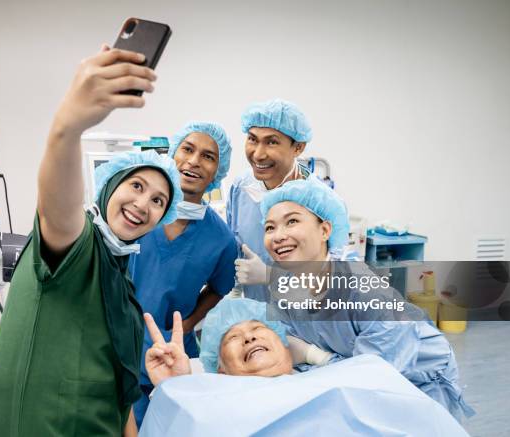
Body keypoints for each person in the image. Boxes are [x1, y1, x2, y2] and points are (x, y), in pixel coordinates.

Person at [0, 45, 183, 437]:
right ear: (108, 188)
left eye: (158, 201)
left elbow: (119, 383)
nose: (143, 204)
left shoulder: (121, 280)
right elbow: (58, 206)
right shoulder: (78, 244)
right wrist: (68, 127)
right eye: (136, 186)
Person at [259, 178, 475, 421]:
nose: (278, 236)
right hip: (353, 368)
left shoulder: (364, 291)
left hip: (416, 376)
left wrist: (316, 356)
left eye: (292, 221)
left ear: (325, 230)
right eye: (269, 227)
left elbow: (375, 377)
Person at [138, 299, 468, 437]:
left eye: (256, 328)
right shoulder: (207, 400)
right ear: (220, 370)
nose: (249, 335)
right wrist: (176, 388)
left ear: (285, 345)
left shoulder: (350, 372)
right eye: (234, 338)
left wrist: (315, 356)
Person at [128, 121, 238, 426]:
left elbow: (220, 287)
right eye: (187, 149)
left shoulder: (221, 239)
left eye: (208, 156)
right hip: (118, 343)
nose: (193, 161)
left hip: (171, 349)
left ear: (218, 172)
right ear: (172, 155)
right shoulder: (136, 214)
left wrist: (188, 324)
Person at [226, 99, 316, 302]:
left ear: (298, 147)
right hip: (255, 318)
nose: (258, 154)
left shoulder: (319, 202)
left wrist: (270, 276)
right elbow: (236, 247)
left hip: (303, 324)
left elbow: (334, 283)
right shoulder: (241, 187)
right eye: (252, 139)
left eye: (272, 142)